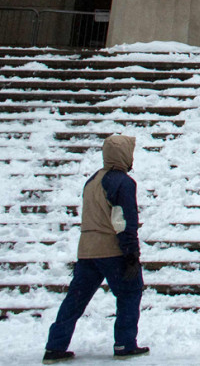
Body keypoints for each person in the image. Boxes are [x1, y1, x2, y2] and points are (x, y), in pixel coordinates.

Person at [42, 134, 149, 363]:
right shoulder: (123, 183)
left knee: (75, 300)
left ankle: (55, 347)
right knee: (130, 292)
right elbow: (122, 220)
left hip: (87, 251)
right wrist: (131, 253)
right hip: (112, 250)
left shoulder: (92, 181)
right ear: (124, 155)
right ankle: (124, 343)